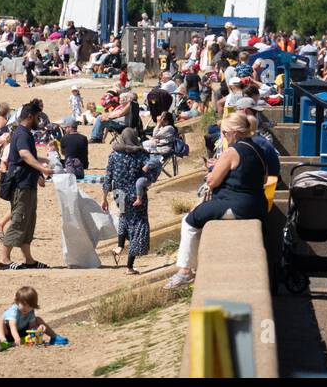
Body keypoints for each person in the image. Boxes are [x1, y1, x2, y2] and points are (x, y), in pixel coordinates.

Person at [165, 110, 268, 289]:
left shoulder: (232, 151)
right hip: (257, 204)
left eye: (225, 133)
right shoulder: (257, 147)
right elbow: (264, 178)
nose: (224, 136)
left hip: (236, 206)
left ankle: (185, 271)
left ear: (235, 133)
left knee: (189, 222)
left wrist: (215, 169)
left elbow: (213, 181)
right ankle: (190, 268)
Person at [0, 99, 55, 270]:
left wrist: (45, 162)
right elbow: (24, 155)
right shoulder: (22, 133)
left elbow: (29, 156)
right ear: (30, 116)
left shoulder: (25, 133)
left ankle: (29, 260)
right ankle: (5, 260)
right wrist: (42, 169)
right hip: (21, 184)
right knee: (19, 219)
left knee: (28, 221)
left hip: (28, 183)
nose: (39, 121)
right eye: (37, 117)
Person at [103, 127, 152, 274]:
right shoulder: (140, 156)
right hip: (135, 196)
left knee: (124, 218)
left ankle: (119, 246)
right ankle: (130, 266)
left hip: (119, 195)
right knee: (137, 226)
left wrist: (104, 199)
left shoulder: (114, 156)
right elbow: (149, 169)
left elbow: (107, 178)